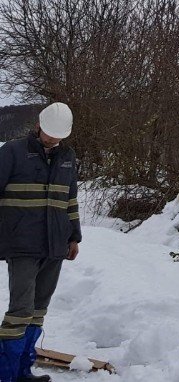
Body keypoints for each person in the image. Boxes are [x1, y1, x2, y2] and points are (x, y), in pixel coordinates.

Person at [0, 102, 80, 382]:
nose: (52, 139)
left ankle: (23, 372)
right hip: (21, 244)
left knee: (38, 309)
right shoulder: (12, 151)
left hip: (55, 246)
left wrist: (74, 237)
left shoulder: (68, 157)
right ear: (39, 125)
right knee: (20, 311)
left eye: (58, 136)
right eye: (49, 133)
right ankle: (6, 376)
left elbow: (70, 200)